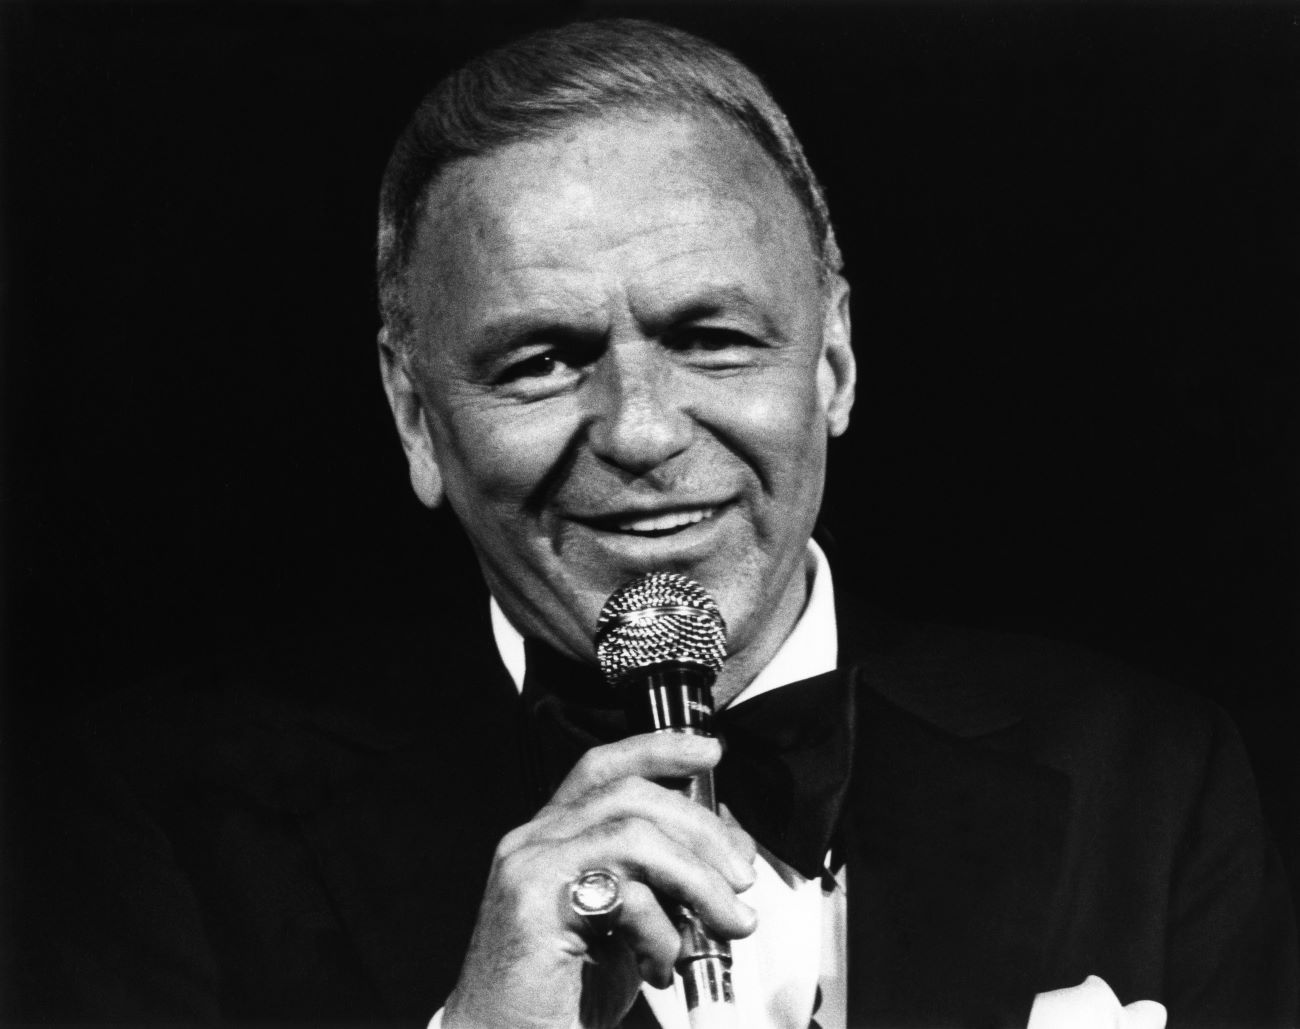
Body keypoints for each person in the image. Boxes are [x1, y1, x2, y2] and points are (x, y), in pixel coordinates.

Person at [15, 17, 1296, 1029]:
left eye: (711, 337)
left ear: (834, 362)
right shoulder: (153, 836)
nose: (638, 430)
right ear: (415, 418)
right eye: (538, 361)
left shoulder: (1152, 778)